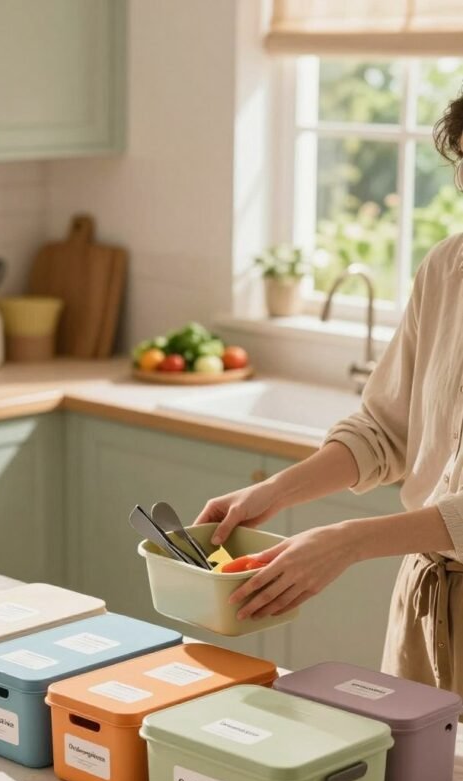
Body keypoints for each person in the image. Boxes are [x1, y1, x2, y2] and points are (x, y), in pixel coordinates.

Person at [196, 94, 463, 697]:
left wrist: (345, 542)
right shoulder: (448, 269)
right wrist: (276, 490)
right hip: (425, 607)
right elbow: (387, 429)